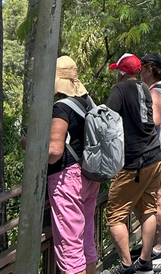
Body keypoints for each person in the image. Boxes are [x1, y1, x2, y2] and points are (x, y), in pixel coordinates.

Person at [103, 54, 161, 274]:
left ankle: (126, 265)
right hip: (154, 156)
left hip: (133, 161)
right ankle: (145, 262)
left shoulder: (118, 90)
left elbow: (107, 121)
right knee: (148, 208)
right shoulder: (144, 89)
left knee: (115, 215)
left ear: (121, 72)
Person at [42, 56, 101, 274]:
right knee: (86, 242)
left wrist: (29, 145)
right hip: (89, 175)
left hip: (67, 180)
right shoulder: (87, 101)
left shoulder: (61, 108)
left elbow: (54, 152)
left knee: (70, 250)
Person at [139, 52, 161, 266]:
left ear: (150, 69)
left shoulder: (155, 93)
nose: (140, 72)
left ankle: (158, 247)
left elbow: (154, 121)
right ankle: (152, 244)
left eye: (142, 68)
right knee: (158, 195)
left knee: (159, 196)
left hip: (157, 151)